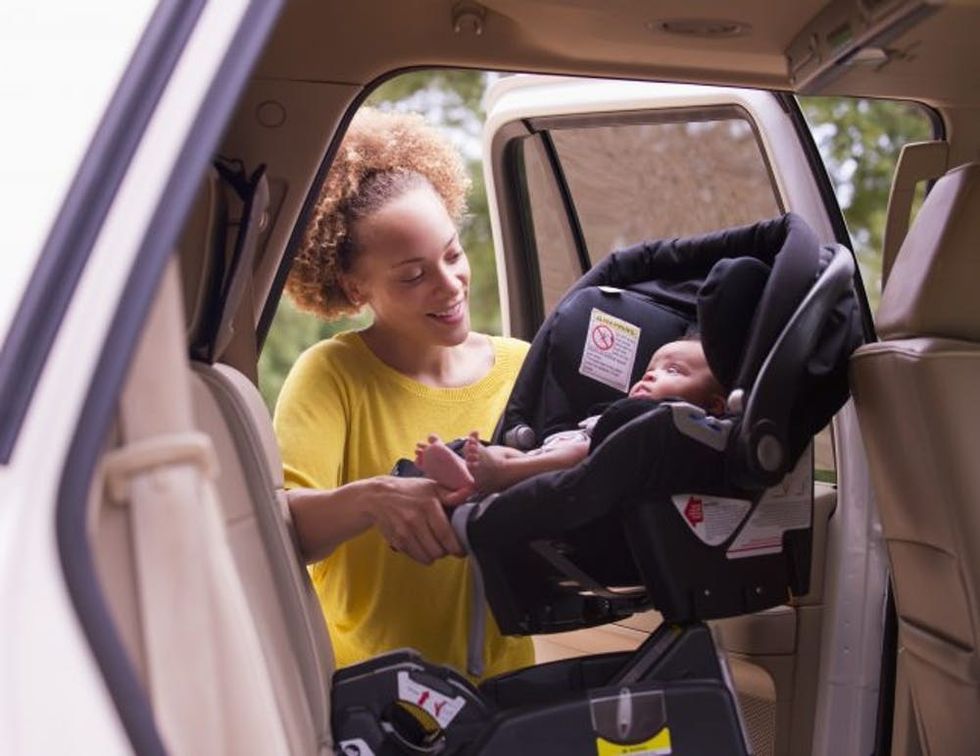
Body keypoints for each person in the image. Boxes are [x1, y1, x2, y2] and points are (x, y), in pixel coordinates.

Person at [274, 107, 533, 679]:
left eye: (453, 254)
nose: (449, 285)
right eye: (412, 276)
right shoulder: (332, 374)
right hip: (374, 702)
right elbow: (283, 527)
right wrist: (374, 498)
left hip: (510, 694)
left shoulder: (522, 365)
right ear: (354, 285)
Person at [415, 336, 726, 497]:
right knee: (509, 451)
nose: (651, 377)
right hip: (564, 445)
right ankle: (467, 472)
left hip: (587, 457)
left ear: (714, 405)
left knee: (578, 452)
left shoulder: (687, 426)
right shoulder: (630, 410)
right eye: (650, 370)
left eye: (673, 371)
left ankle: (499, 473)